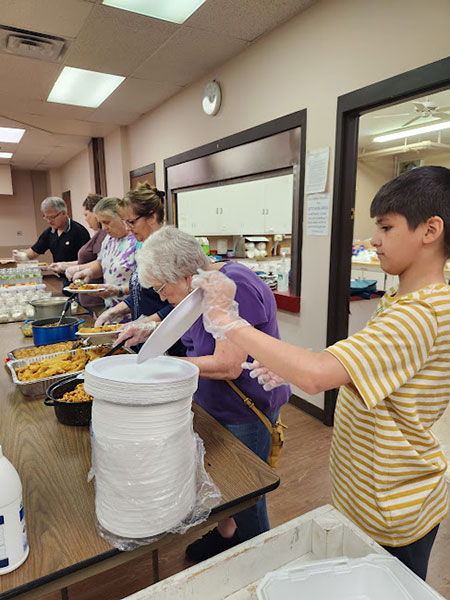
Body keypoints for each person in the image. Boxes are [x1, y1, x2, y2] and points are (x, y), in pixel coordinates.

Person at [192, 165, 450, 580]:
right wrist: (290, 366)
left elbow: (316, 376)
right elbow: (368, 366)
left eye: (385, 227)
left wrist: (229, 322)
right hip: (367, 493)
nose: (374, 240)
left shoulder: (421, 313)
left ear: (430, 229)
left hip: (394, 506)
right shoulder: (402, 299)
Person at [117, 225, 290, 561]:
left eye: (162, 289)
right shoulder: (201, 286)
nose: (162, 297)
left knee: (248, 494)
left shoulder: (234, 286)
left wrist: (165, 367)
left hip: (245, 409)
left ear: (183, 275)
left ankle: (262, 557)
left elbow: (228, 364)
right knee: (224, 482)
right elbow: (182, 319)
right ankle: (227, 533)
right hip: (214, 403)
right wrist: (148, 328)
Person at [94, 183, 184, 356]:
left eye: (132, 222)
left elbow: (182, 304)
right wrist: (113, 312)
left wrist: (147, 323)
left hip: (170, 343)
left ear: (152, 217)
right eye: (125, 222)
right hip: (147, 340)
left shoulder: (170, 249)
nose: (128, 228)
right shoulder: (145, 247)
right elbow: (142, 294)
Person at [66, 197, 139, 320]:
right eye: (101, 223)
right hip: (111, 309)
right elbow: (101, 263)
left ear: (121, 218)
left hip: (132, 310)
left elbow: (145, 284)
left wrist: (118, 290)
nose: (104, 228)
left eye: (107, 222)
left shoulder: (137, 241)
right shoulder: (109, 239)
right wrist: (89, 272)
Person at [12, 196, 90, 290]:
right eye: (46, 217)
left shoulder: (79, 231)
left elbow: (88, 260)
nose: (49, 221)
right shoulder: (50, 232)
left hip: (80, 277)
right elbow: (34, 251)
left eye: (52, 217)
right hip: (64, 277)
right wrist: (21, 256)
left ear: (63, 213)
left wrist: (66, 266)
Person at [49, 193, 106, 312]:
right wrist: (66, 265)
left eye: (86, 214)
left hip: (97, 299)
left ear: (96, 213)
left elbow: (101, 263)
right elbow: (90, 261)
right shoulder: (98, 234)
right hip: (90, 298)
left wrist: (76, 268)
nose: (85, 219)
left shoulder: (103, 235)